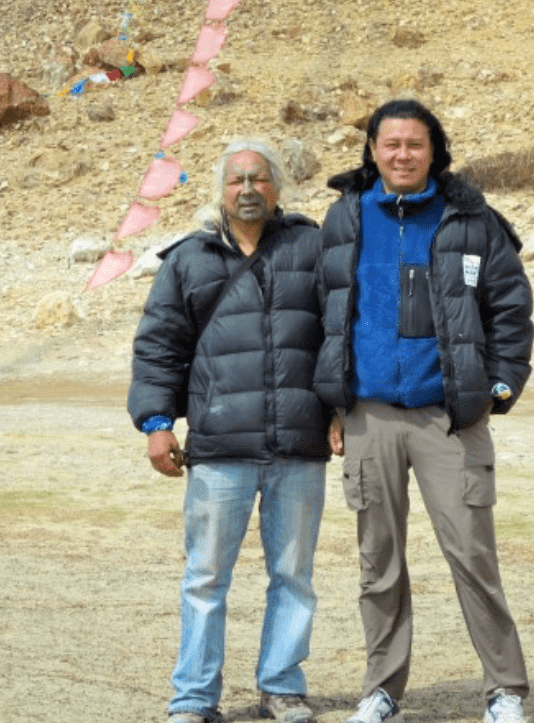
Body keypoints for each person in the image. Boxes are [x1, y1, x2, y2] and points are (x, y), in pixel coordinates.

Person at [314, 99, 534, 723]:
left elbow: (510, 307)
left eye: (415, 144)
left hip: (450, 418)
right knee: (377, 564)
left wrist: (498, 387)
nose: (403, 155)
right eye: (391, 144)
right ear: (373, 151)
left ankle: (505, 691)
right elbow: (325, 313)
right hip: (369, 417)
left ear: (434, 150)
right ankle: (382, 691)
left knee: (472, 557)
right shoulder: (345, 217)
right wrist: (333, 405)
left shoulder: (471, 219)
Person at [128, 138, 331, 723]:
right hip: (218, 448)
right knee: (206, 578)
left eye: (259, 179)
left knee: (294, 576)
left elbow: (340, 335)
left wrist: (341, 410)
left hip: (299, 444)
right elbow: (158, 347)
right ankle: (193, 699)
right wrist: (157, 423)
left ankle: (282, 688)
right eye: (236, 179)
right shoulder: (188, 259)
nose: (247, 189)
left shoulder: (311, 247)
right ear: (221, 189)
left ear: (278, 187)